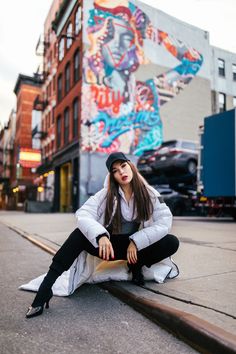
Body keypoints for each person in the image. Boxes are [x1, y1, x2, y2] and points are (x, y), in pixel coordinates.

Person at [26, 152, 179, 318]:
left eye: (123, 166)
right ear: (112, 175)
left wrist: (137, 241)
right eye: (115, 170)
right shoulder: (105, 195)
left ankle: (136, 267)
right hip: (109, 248)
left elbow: (164, 222)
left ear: (130, 166)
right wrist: (101, 236)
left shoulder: (149, 194)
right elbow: (83, 214)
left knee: (171, 242)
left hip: (135, 249)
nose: (121, 172)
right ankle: (46, 287)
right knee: (79, 235)